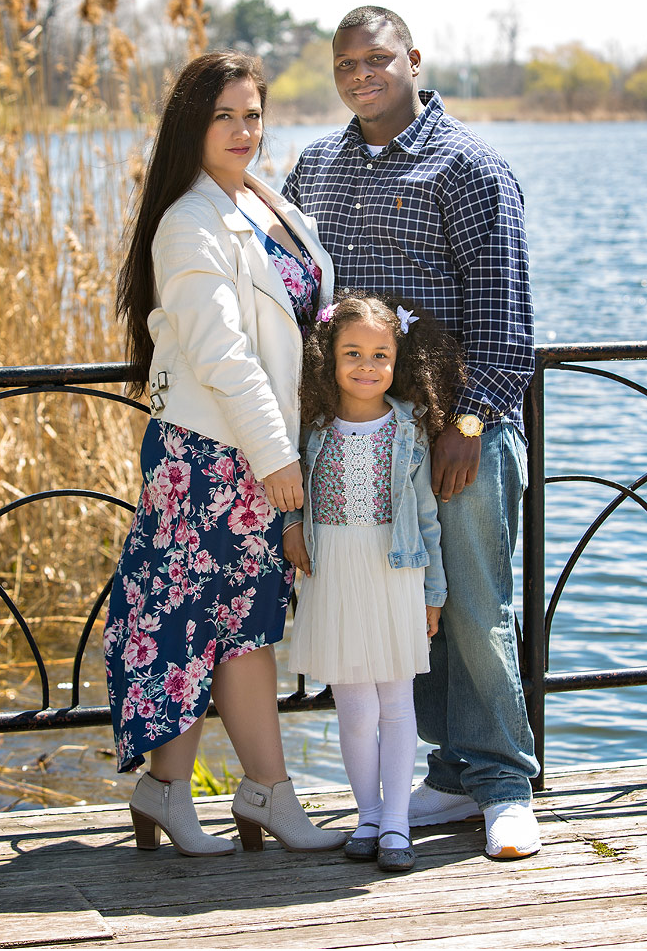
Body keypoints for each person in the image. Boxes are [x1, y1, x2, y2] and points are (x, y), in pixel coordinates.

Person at [282, 6, 541, 860]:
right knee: (405, 610)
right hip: (361, 441)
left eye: (376, 58)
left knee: (470, 609)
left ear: (413, 60)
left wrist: (464, 423)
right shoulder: (316, 165)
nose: (360, 73)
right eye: (345, 63)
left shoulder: (469, 167)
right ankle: (448, 778)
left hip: (458, 430)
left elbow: (507, 321)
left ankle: (504, 782)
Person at [105, 50, 345, 858]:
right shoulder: (187, 221)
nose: (245, 130)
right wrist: (277, 458)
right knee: (199, 626)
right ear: (192, 125)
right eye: (226, 117)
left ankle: (213, 792)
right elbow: (222, 354)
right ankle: (212, 792)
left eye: (253, 114)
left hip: (256, 454)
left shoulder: (262, 199)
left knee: (242, 626)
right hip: (211, 458)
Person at [283, 292, 466, 872]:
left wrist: (433, 592)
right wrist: (291, 528)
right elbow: (292, 498)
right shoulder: (313, 430)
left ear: (397, 360)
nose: (367, 366)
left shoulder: (408, 429)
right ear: (329, 359)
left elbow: (428, 516)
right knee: (354, 704)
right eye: (353, 353)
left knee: (395, 700)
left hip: (395, 572)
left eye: (381, 355)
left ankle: (396, 823)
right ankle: (365, 814)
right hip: (334, 573)